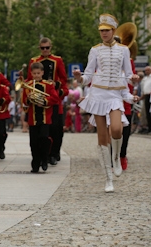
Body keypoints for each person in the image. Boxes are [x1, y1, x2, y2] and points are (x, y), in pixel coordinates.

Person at [74, 14, 139, 193]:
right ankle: (108, 178)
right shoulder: (95, 50)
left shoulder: (124, 50)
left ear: (113, 31)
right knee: (102, 137)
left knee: (117, 129)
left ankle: (117, 157)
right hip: (98, 93)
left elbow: (127, 75)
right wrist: (80, 78)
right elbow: (88, 76)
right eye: (101, 30)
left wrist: (133, 81)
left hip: (115, 94)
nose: (103, 33)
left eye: (106, 30)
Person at [25, 37, 68, 166]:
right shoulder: (34, 61)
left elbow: (64, 80)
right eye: (42, 48)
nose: (45, 50)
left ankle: (54, 153)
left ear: (51, 47)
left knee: (56, 129)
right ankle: (41, 155)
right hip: (37, 101)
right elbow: (28, 79)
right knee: (40, 131)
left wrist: (56, 85)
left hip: (53, 98)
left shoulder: (57, 60)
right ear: (39, 48)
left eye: (47, 48)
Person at [21, 62, 59, 173]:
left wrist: (44, 101)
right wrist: (28, 99)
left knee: (44, 139)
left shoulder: (48, 85)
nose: (37, 75)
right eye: (34, 73)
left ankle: (44, 159)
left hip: (45, 117)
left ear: (42, 73)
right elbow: (24, 102)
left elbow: (55, 98)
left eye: (38, 73)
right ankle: (35, 164)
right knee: (33, 142)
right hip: (32, 119)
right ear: (31, 74)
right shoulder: (28, 85)